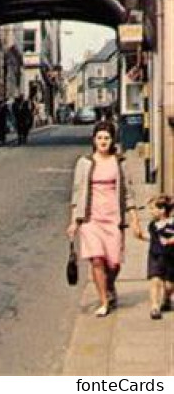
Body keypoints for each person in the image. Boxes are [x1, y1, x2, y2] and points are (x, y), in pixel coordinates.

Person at [67, 121, 142, 317]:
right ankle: (103, 301)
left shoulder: (119, 162)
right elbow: (77, 193)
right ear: (94, 140)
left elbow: (128, 193)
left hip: (113, 218)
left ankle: (109, 285)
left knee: (114, 263)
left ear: (112, 140)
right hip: (91, 218)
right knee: (97, 260)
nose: (103, 141)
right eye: (99, 138)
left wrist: (134, 218)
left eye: (107, 138)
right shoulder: (84, 163)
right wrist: (74, 221)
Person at [135, 194, 174, 320]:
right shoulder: (153, 225)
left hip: (171, 257)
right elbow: (153, 238)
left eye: (152, 209)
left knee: (169, 285)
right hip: (155, 256)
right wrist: (140, 235)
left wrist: (169, 241)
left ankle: (167, 299)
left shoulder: (172, 224)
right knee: (155, 280)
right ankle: (155, 306)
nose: (150, 212)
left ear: (162, 210)